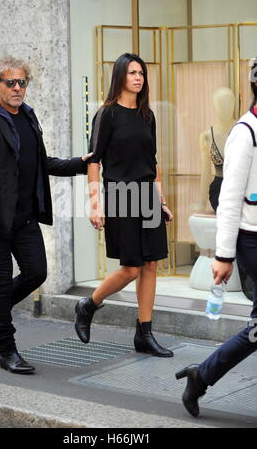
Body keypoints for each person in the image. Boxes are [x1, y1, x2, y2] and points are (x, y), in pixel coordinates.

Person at [0, 56, 92, 374]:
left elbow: (41, 162)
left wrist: (79, 162)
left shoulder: (29, 117)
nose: (18, 88)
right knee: (0, 283)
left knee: (36, 273)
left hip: (25, 217)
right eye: (11, 82)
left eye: (22, 82)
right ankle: (7, 349)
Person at [74, 53, 174, 357]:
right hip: (120, 195)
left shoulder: (147, 115)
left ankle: (144, 333)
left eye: (141, 73)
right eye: (132, 72)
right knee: (131, 268)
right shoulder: (107, 114)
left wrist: (162, 200)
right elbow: (94, 163)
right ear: (120, 77)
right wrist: (94, 204)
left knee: (151, 265)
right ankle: (88, 304)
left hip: (147, 196)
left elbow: (153, 162)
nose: (138, 77)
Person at [176, 58, 257, 417]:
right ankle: (202, 375)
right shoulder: (247, 131)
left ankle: (202, 375)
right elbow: (229, 196)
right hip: (253, 240)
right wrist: (223, 255)